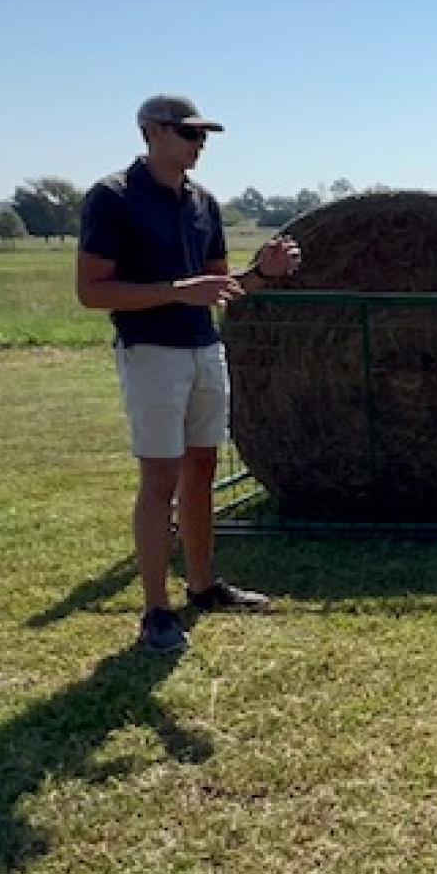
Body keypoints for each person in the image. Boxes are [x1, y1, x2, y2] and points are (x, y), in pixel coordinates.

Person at [77, 94, 303, 654]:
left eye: (203, 136)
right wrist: (176, 292)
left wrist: (262, 274)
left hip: (204, 346)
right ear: (151, 131)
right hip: (151, 351)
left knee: (200, 467)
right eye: (188, 133)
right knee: (159, 480)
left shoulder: (203, 202)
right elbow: (91, 291)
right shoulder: (113, 197)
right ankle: (155, 610)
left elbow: (222, 286)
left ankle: (202, 585)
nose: (199, 144)